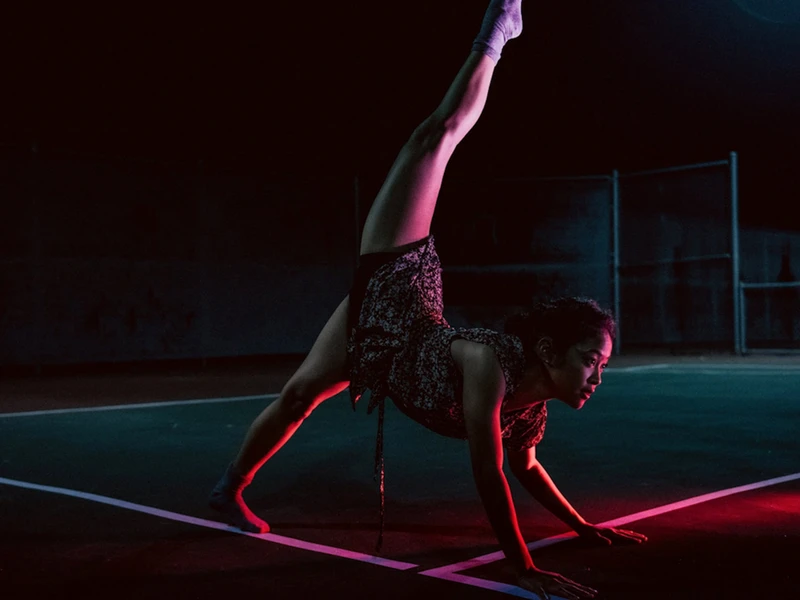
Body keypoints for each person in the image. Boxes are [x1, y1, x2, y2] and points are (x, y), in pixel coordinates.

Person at [210, 1, 646, 597]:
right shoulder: (489, 363)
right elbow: (488, 471)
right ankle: (498, 27)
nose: (598, 375)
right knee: (433, 138)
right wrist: (521, 565)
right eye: (592, 359)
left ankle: (224, 490)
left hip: (385, 342)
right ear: (547, 349)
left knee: (298, 396)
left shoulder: (530, 413)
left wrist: (580, 525)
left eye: (603, 364)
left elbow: (526, 468)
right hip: (401, 285)